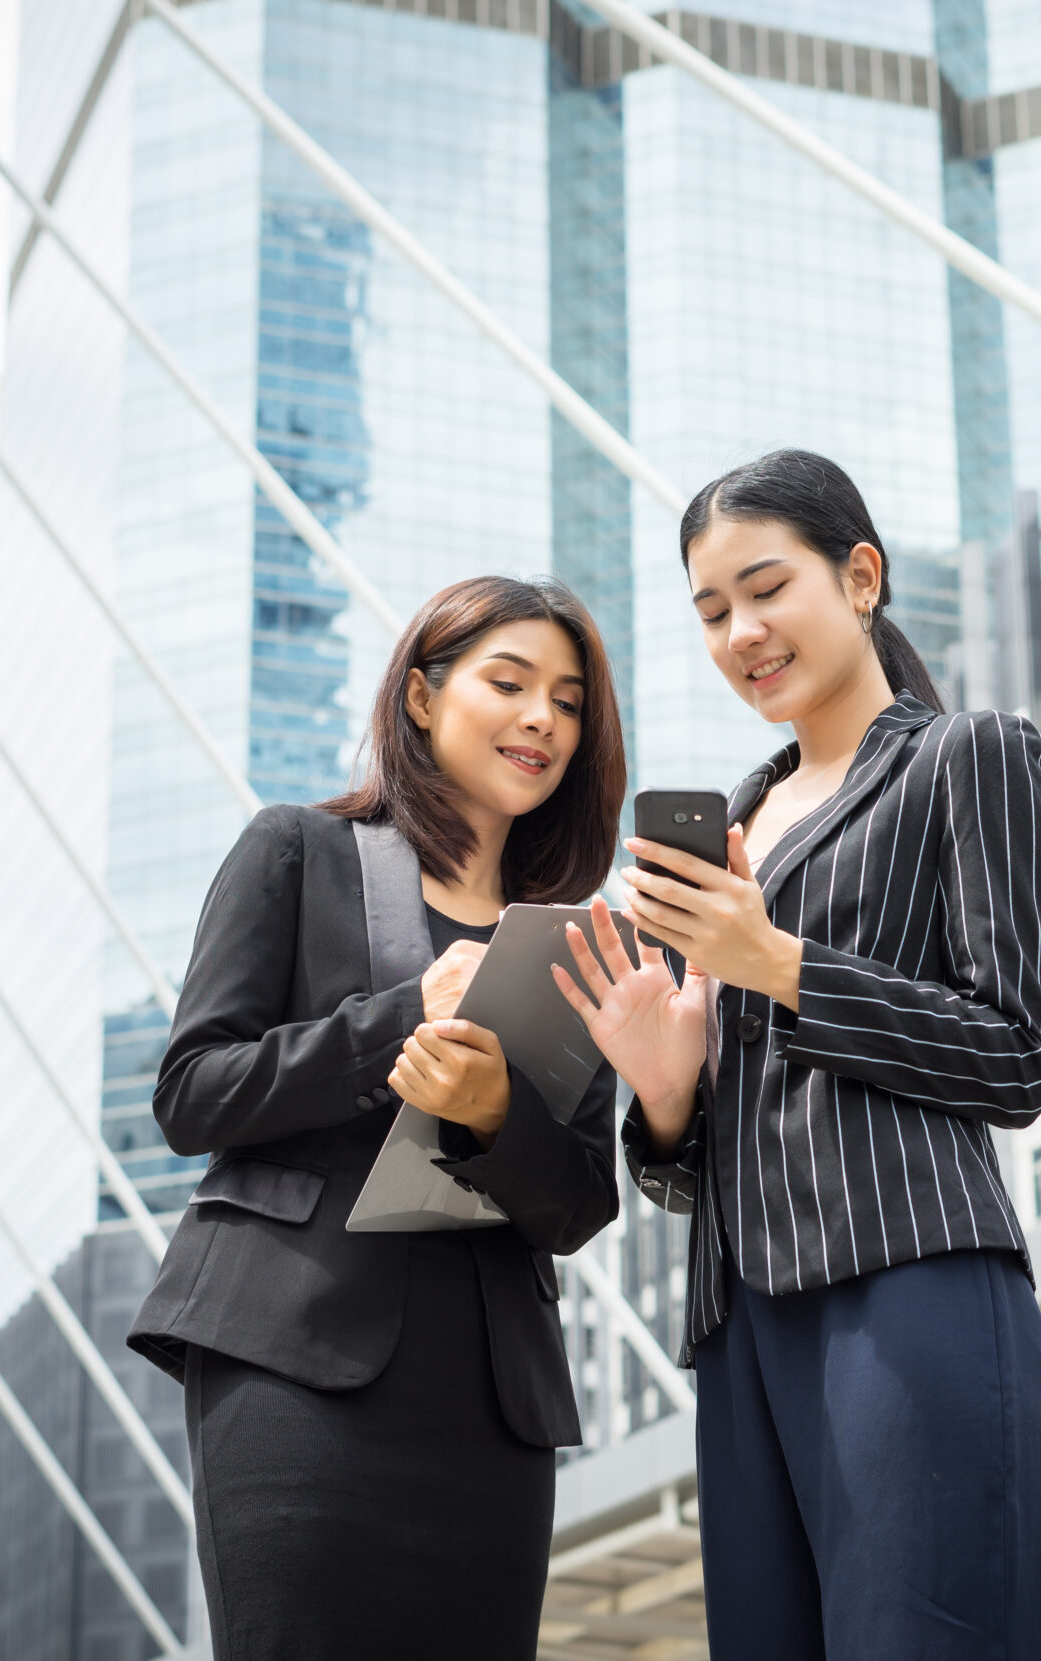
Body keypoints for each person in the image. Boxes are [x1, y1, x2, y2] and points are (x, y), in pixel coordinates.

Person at [554, 449, 1041, 1659]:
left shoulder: (966, 756)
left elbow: (1017, 1054)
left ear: (862, 574)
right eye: (712, 611)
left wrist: (777, 962)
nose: (742, 631)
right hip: (738, 1325)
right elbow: (688, 1165)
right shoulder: (732, 821)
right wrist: (667, 1089)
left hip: (911, 1284)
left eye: (765, 586)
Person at [127, 575, 627, 1661]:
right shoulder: (297, 852)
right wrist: (400, 1019)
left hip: (492, 1403)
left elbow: (586, 1196)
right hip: (292, 1359)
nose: (542, 716)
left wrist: (494, 1113)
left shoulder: (579, 944)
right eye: (509, 682)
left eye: (570, 699)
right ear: (417, 695)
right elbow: (192, 1091)